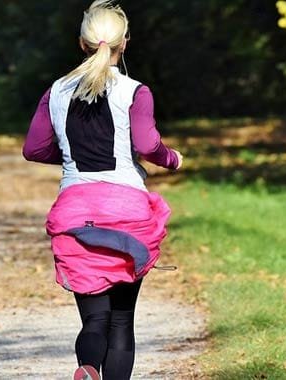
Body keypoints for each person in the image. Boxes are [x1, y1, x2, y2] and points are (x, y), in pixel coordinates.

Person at [22, 1, 183, 379]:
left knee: (95, 320)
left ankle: (88, 367)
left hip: (76, 216)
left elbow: (34, 149)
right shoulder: (135, 91)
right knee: (122, 321)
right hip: (127, 215)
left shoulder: (56, 91)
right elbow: (147, 144)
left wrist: (69, 156)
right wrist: (172, 158)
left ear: (82, 43)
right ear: (124, 43)